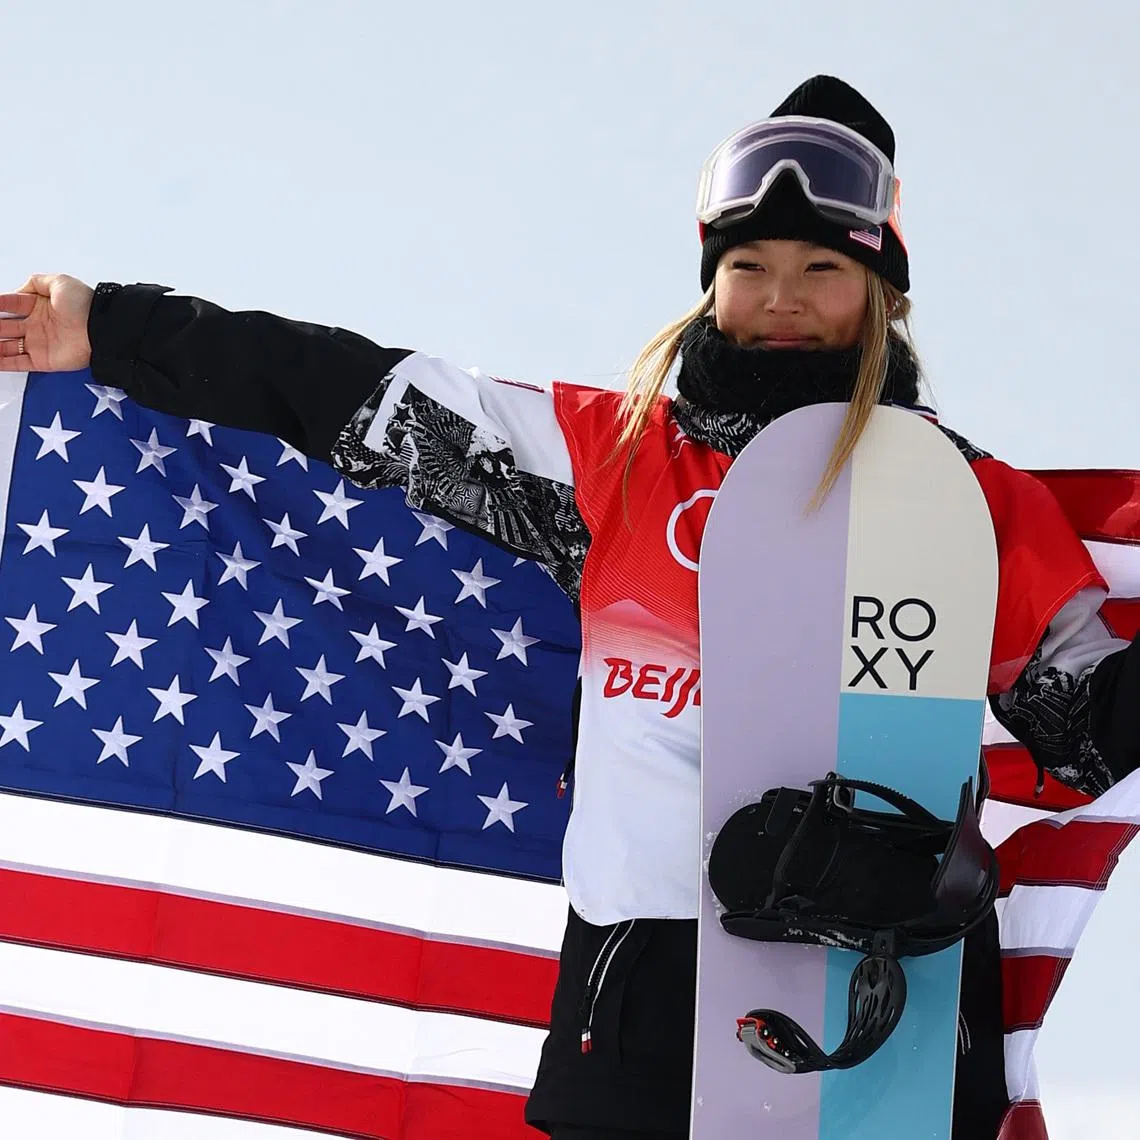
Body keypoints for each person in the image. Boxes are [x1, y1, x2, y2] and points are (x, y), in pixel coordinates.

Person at [2, 75, 1136, 1140]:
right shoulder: (612, 461)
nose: (782, 298)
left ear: (883, 292)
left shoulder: (971, 504)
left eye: (821, 270)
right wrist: (111, 327)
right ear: (710, 283)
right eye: (749, 266)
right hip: (645, 988)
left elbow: (1086, 727)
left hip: (896, 1005)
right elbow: (350, 392)